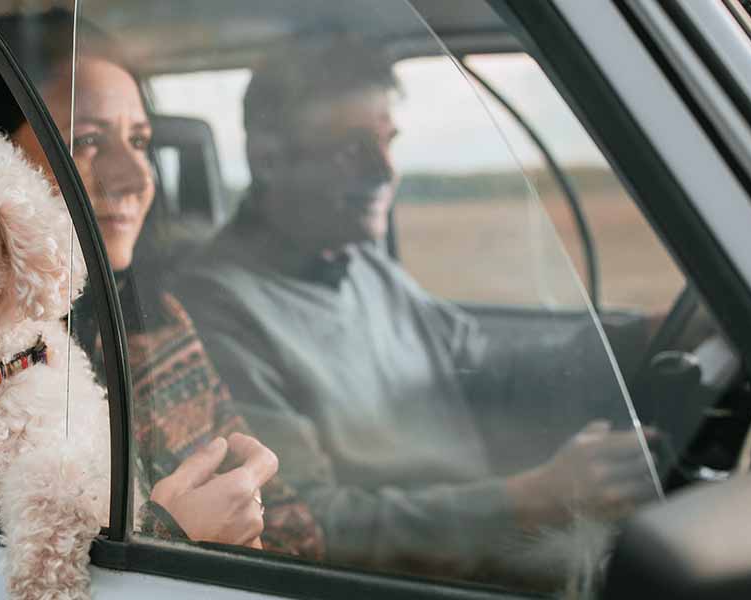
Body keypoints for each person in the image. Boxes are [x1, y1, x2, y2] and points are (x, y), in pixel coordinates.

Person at [173, 40, 659, 581]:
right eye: (351, 148)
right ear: (268, 159)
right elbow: (308, 523)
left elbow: (493, 367)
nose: (385, 171)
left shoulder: (364, 265)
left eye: (387, 142)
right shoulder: (215, 309)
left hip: (477, 545)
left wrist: (643, 336)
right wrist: (530, 497)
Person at [0, 10, 324, 557]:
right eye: (88, 140)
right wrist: (169, 538)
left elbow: (281, 512)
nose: (137, 177)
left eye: (139, 141)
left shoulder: (155, 319)